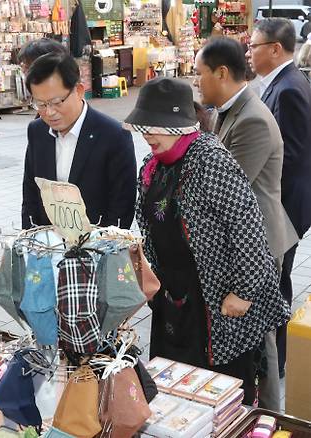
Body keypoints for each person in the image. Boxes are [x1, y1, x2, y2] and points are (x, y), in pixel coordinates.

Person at [127, 77, 290, 405]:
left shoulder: (211, 161)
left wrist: (243, 293)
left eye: (154, 126)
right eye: (143, 126)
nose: (146, 135)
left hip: (219, 302)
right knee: (173, 387)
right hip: (174, 299)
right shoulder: (152, 167)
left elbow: (249, 230)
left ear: (178, 127)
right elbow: (148, 227)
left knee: (220, 394)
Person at [194, 37, 297, 411]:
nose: (195, 81)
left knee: (261, 333)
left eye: (198, 73)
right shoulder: (227, 110)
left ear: (221, 73)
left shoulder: (251, 118)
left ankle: (270, 414)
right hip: (242, 238)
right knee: (248, 334)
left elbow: (223, 188)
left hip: (260, 243)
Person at [247, 17, 311, 377]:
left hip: (285, 206)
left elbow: (291, 157)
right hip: (287, 203)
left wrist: (270, 212)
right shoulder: (283, 82)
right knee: (278, 280)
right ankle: (275, 358)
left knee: (277, 281)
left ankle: (277, 360)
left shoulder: (286, 88)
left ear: (274, 49)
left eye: (254, 46)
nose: (249, 53)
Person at [21, 52, 137, 230]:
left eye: (57, 102)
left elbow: (122, 207)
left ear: (79, 90)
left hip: (96, 248)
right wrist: (32, 241)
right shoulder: (37, 132)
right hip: (46, 246)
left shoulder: (114, 135)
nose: (49, 112)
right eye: (41, 104)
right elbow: (30, 195)